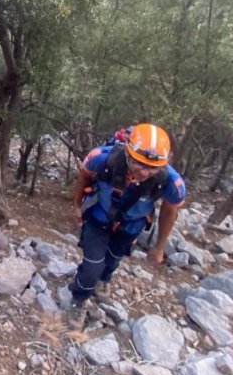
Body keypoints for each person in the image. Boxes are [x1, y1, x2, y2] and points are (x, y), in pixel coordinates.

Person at [68, 123, 185, 307]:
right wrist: (77, 205)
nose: (145, 172)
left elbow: (170, 211)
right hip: (98, 219)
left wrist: (160, 246)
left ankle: (103, 280)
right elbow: (84, 175)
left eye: (152, 168)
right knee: (92, 268)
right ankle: (78, 299)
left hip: (130, 226)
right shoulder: (103, 159)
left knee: (113, 259)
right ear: (128, 154)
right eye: (140, 164)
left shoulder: (171, 183)